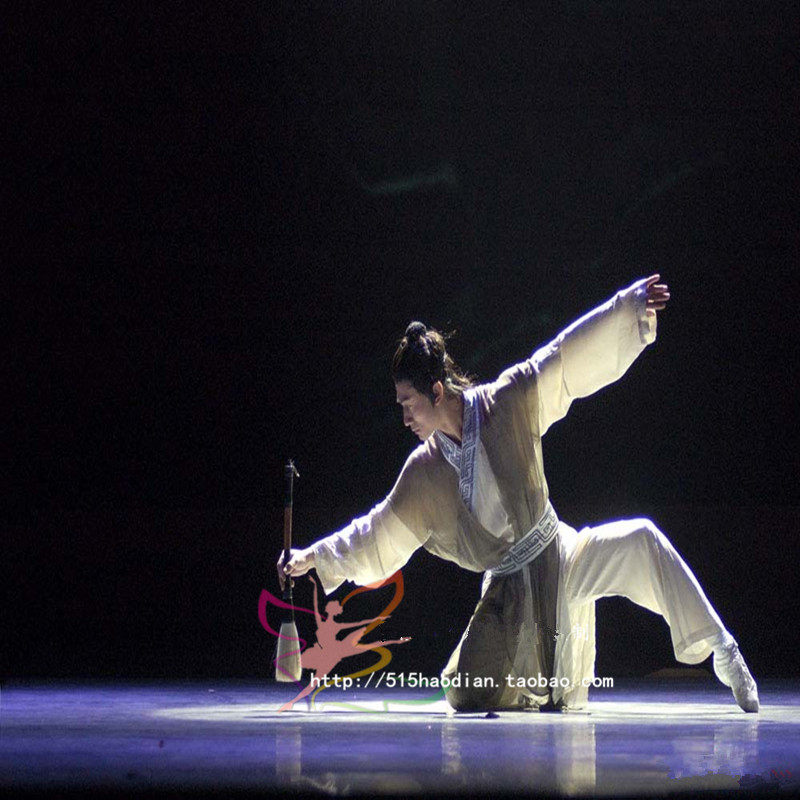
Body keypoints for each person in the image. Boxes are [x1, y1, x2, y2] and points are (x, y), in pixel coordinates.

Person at [277, 275, 759, 713]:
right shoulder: (425, 470)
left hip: (560, 554)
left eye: (409, 403)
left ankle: (723, 650)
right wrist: (312, 556)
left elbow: (564, 358)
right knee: (465, 692)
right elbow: (378, 529)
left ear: (437, 392)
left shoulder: (505, 402)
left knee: (642, 540)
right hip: (507, 589)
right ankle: (530, 687)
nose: (404, 418)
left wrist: (628, 307)